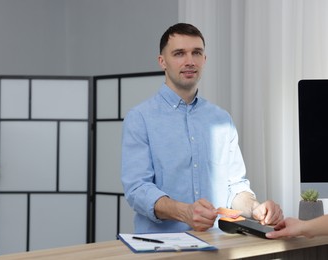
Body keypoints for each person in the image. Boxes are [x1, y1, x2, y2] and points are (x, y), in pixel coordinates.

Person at [121, 23, 283, 234]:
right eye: (179, 53)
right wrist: (184, 211)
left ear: (204, 60)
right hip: (161, 248)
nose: (189, 61)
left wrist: (255, 208)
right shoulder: (140, 118)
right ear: (163, 62)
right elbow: (137, 189)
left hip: (216, 245)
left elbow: (234, 186)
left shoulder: (222, 120)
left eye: (196, 53)